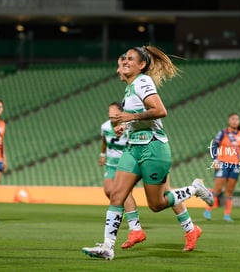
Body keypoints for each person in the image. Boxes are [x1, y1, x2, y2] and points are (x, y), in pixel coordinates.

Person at [82, 45, 214, 260]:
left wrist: (130, 118)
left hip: (153, 147)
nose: (124, 61)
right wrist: (126, 126)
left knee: (157, 204)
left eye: (130, 59)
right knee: (117, 194)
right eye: (124, 58)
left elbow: (160, 111)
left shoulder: (143, 81)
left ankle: (194, 189)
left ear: (142, 65)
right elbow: (137, 116)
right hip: (133, 148)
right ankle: (107, 246)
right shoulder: (131, 87)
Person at [99, 101, 147, 249]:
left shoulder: (128, 126)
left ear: (120, 113)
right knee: (108, 190)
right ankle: (122, 211)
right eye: (108, 111)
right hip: (112, 163)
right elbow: (104, 141)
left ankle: (129, 218)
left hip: (125, 163)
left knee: (122, 192)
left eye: (112, 111)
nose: (109, 114)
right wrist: (102, 154)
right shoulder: (105, 127)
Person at [203, 113, 240, 222]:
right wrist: (215, 160)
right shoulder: (222, 133)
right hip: (222, 163)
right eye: (233, 119)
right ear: (229, 121)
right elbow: (214, 146)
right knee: (218, 189)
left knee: (229, 191)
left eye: (237, 119)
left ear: (239, 121)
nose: (235, 121)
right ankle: (207, 210)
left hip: (235, 165)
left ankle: (227, 214)